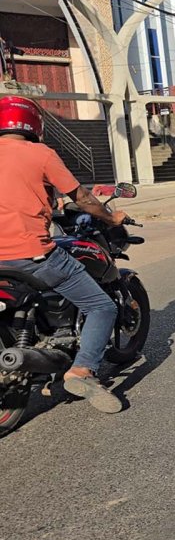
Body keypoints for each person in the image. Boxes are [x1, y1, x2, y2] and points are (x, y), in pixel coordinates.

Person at [0, 95, 132, 413]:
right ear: (33, 125)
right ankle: (82, 370)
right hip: (32, 256)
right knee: (101, 306)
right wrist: (112, 217)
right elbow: (84, 197)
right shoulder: (41, 154)